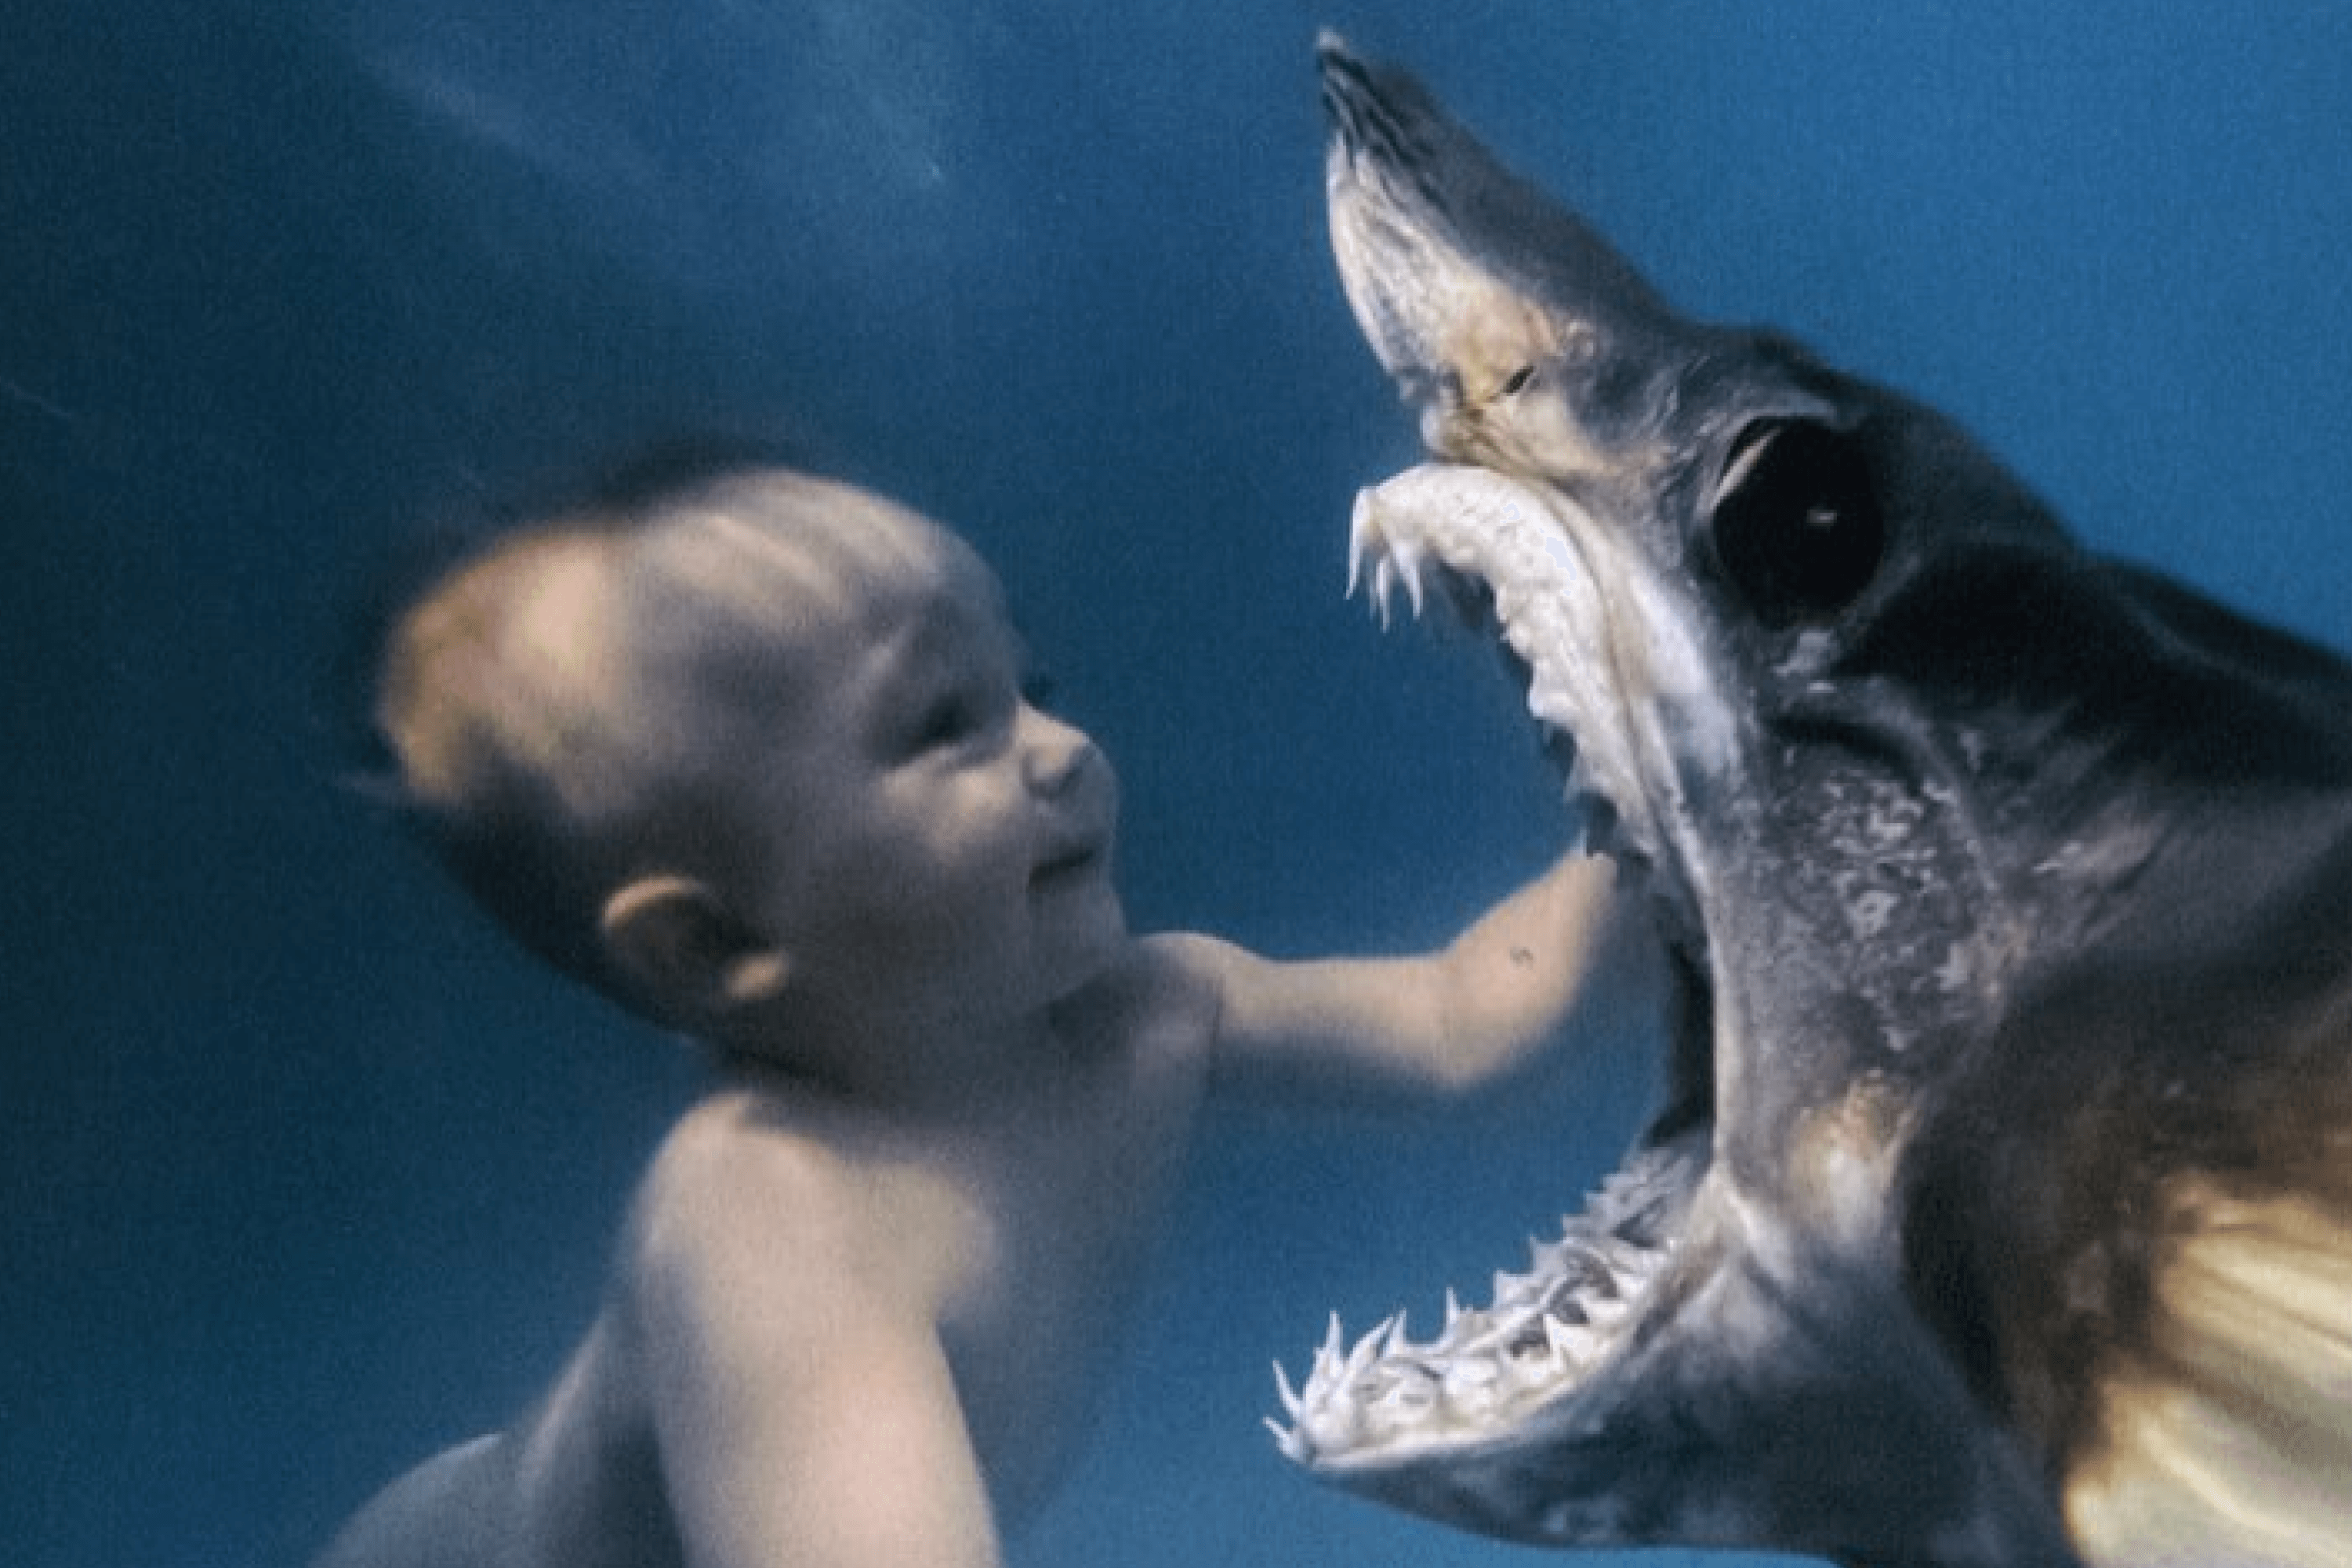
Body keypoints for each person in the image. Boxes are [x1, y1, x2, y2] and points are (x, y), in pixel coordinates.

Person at [317, 456, 1637, 1568]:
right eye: (946, 721)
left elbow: (1470, 1019)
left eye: (1033, 688)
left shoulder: (1148, 1016)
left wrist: (1664, 804)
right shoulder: (770, 1222)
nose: (1059, 749)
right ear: (714, 949)